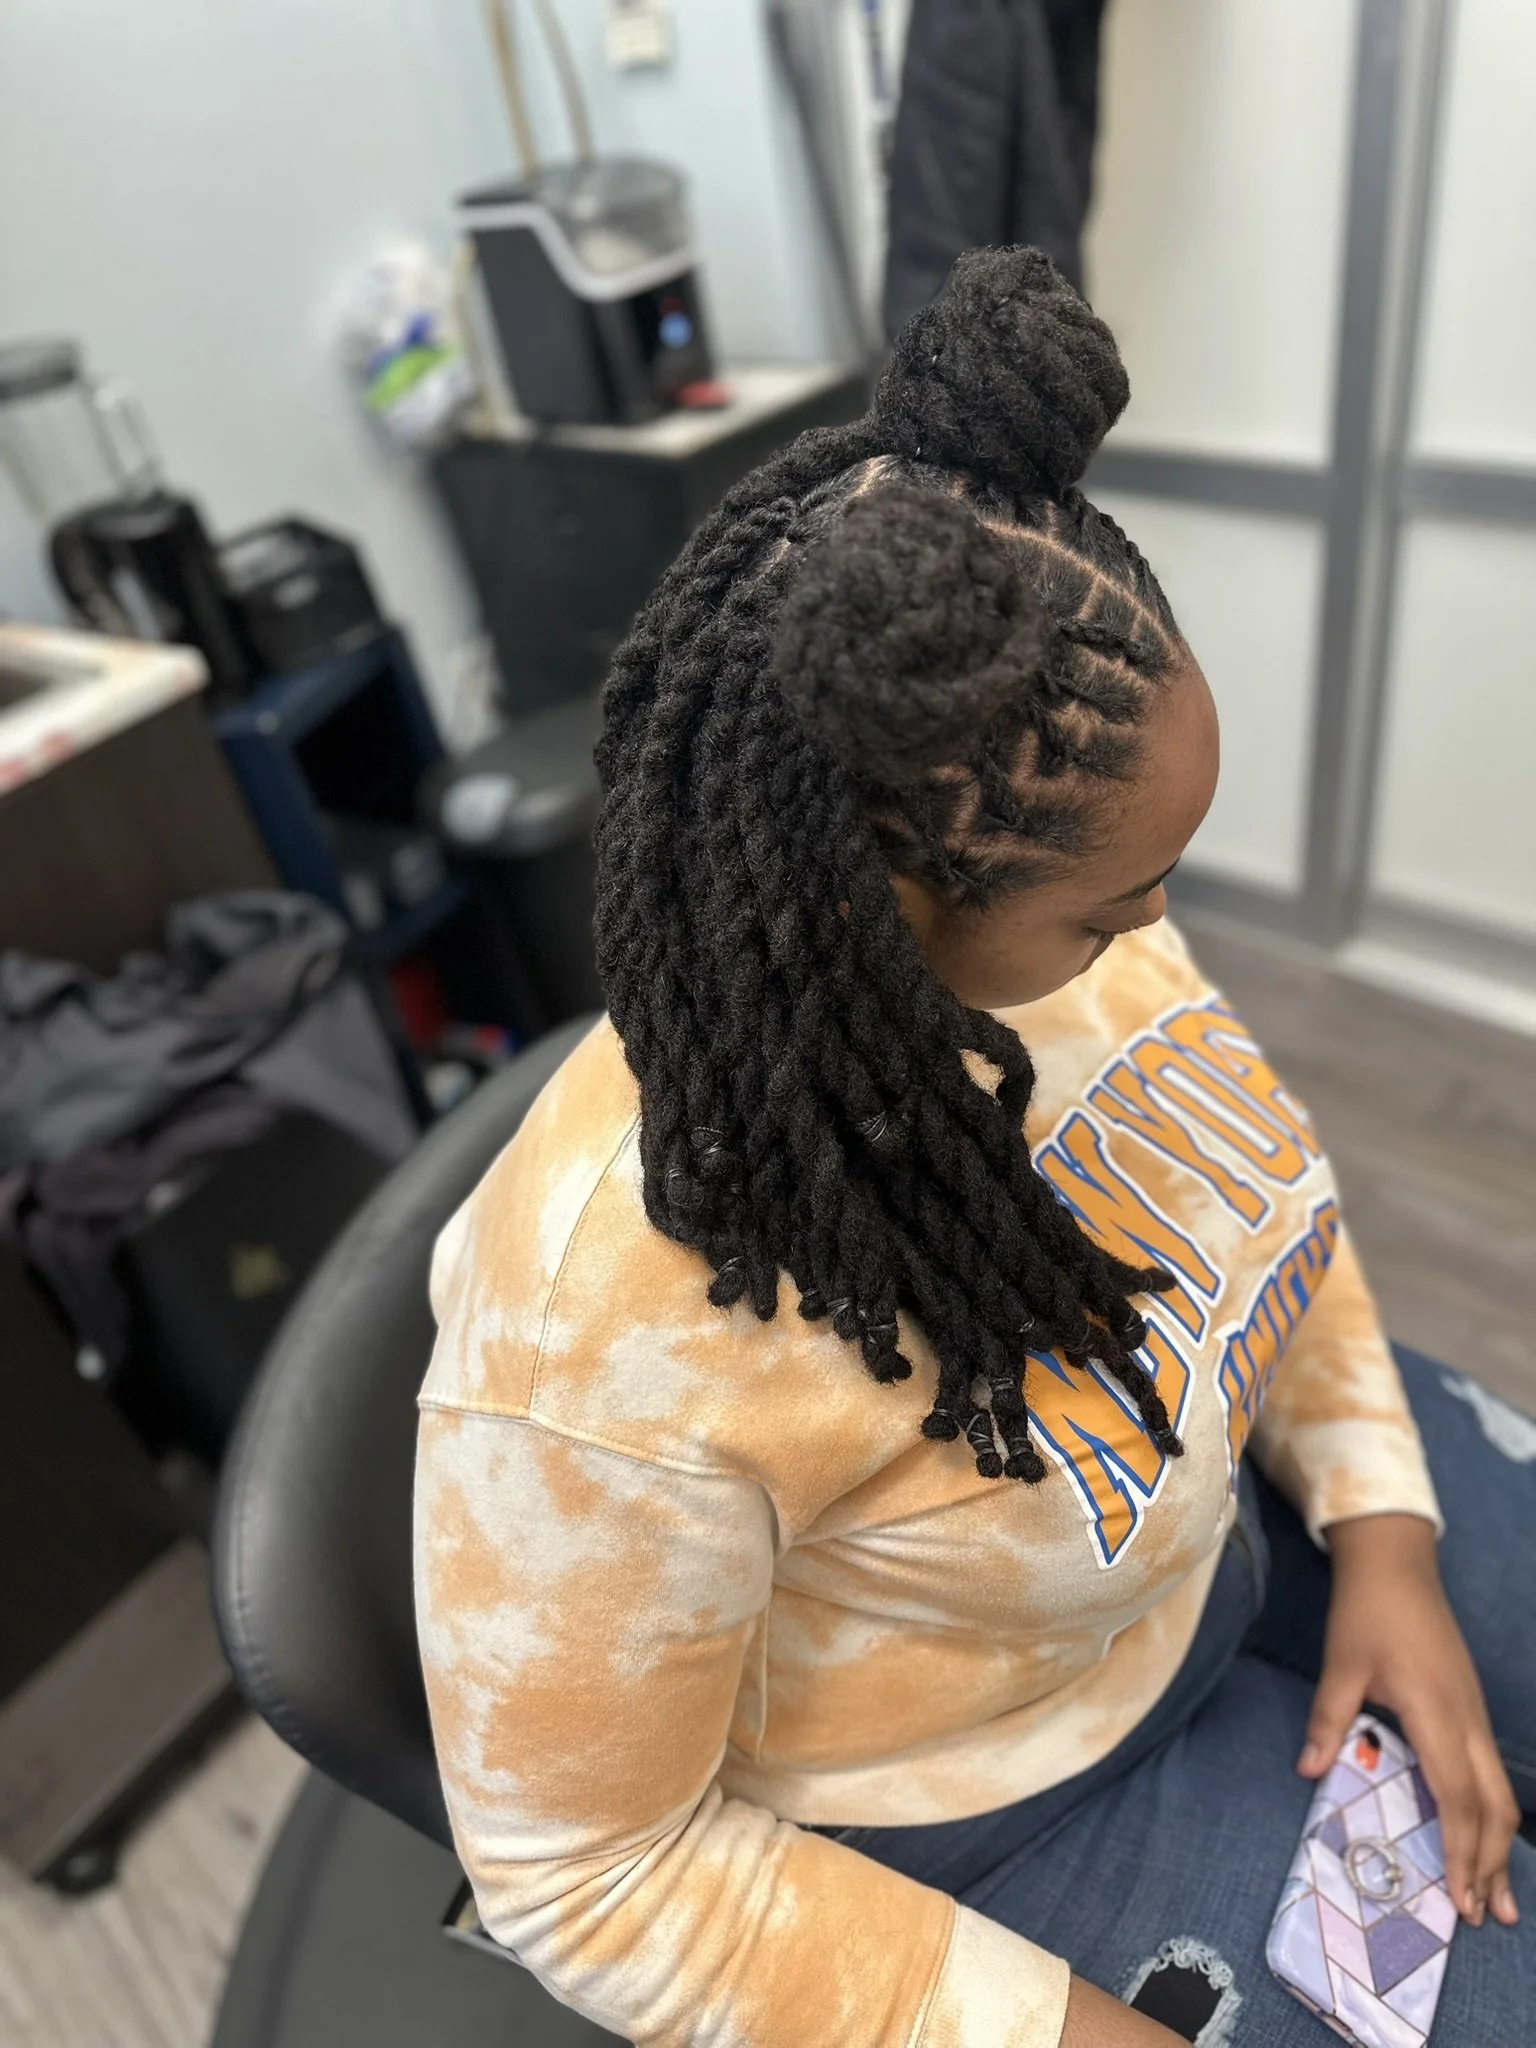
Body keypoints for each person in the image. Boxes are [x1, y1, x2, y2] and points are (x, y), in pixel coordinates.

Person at [414, 248, 1534, 2046]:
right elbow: (583, 1869)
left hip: (1213, 1522)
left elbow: (1259, 1199)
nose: (1160, 930)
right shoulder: (598, 1349)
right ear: (889, 910)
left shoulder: (1054, 884)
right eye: (1115, 912)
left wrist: (1386, 1529)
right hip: (1005, 1790)